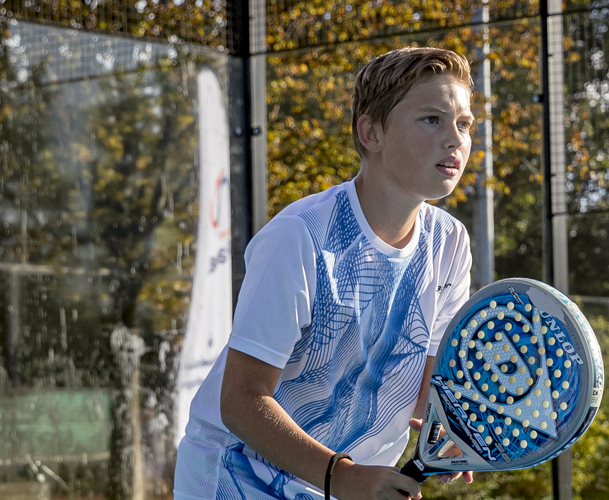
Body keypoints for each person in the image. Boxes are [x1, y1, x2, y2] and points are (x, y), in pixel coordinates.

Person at [173, 47, 477, 500]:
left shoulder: (450, 245)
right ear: (371, 133)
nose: (455, 139)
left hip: (340, 483)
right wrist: (345, 476)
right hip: (233, 480)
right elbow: (241, 400)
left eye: (464, 124)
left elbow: (426, 387)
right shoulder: (299, 237)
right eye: (431, 119)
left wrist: (446, 434)